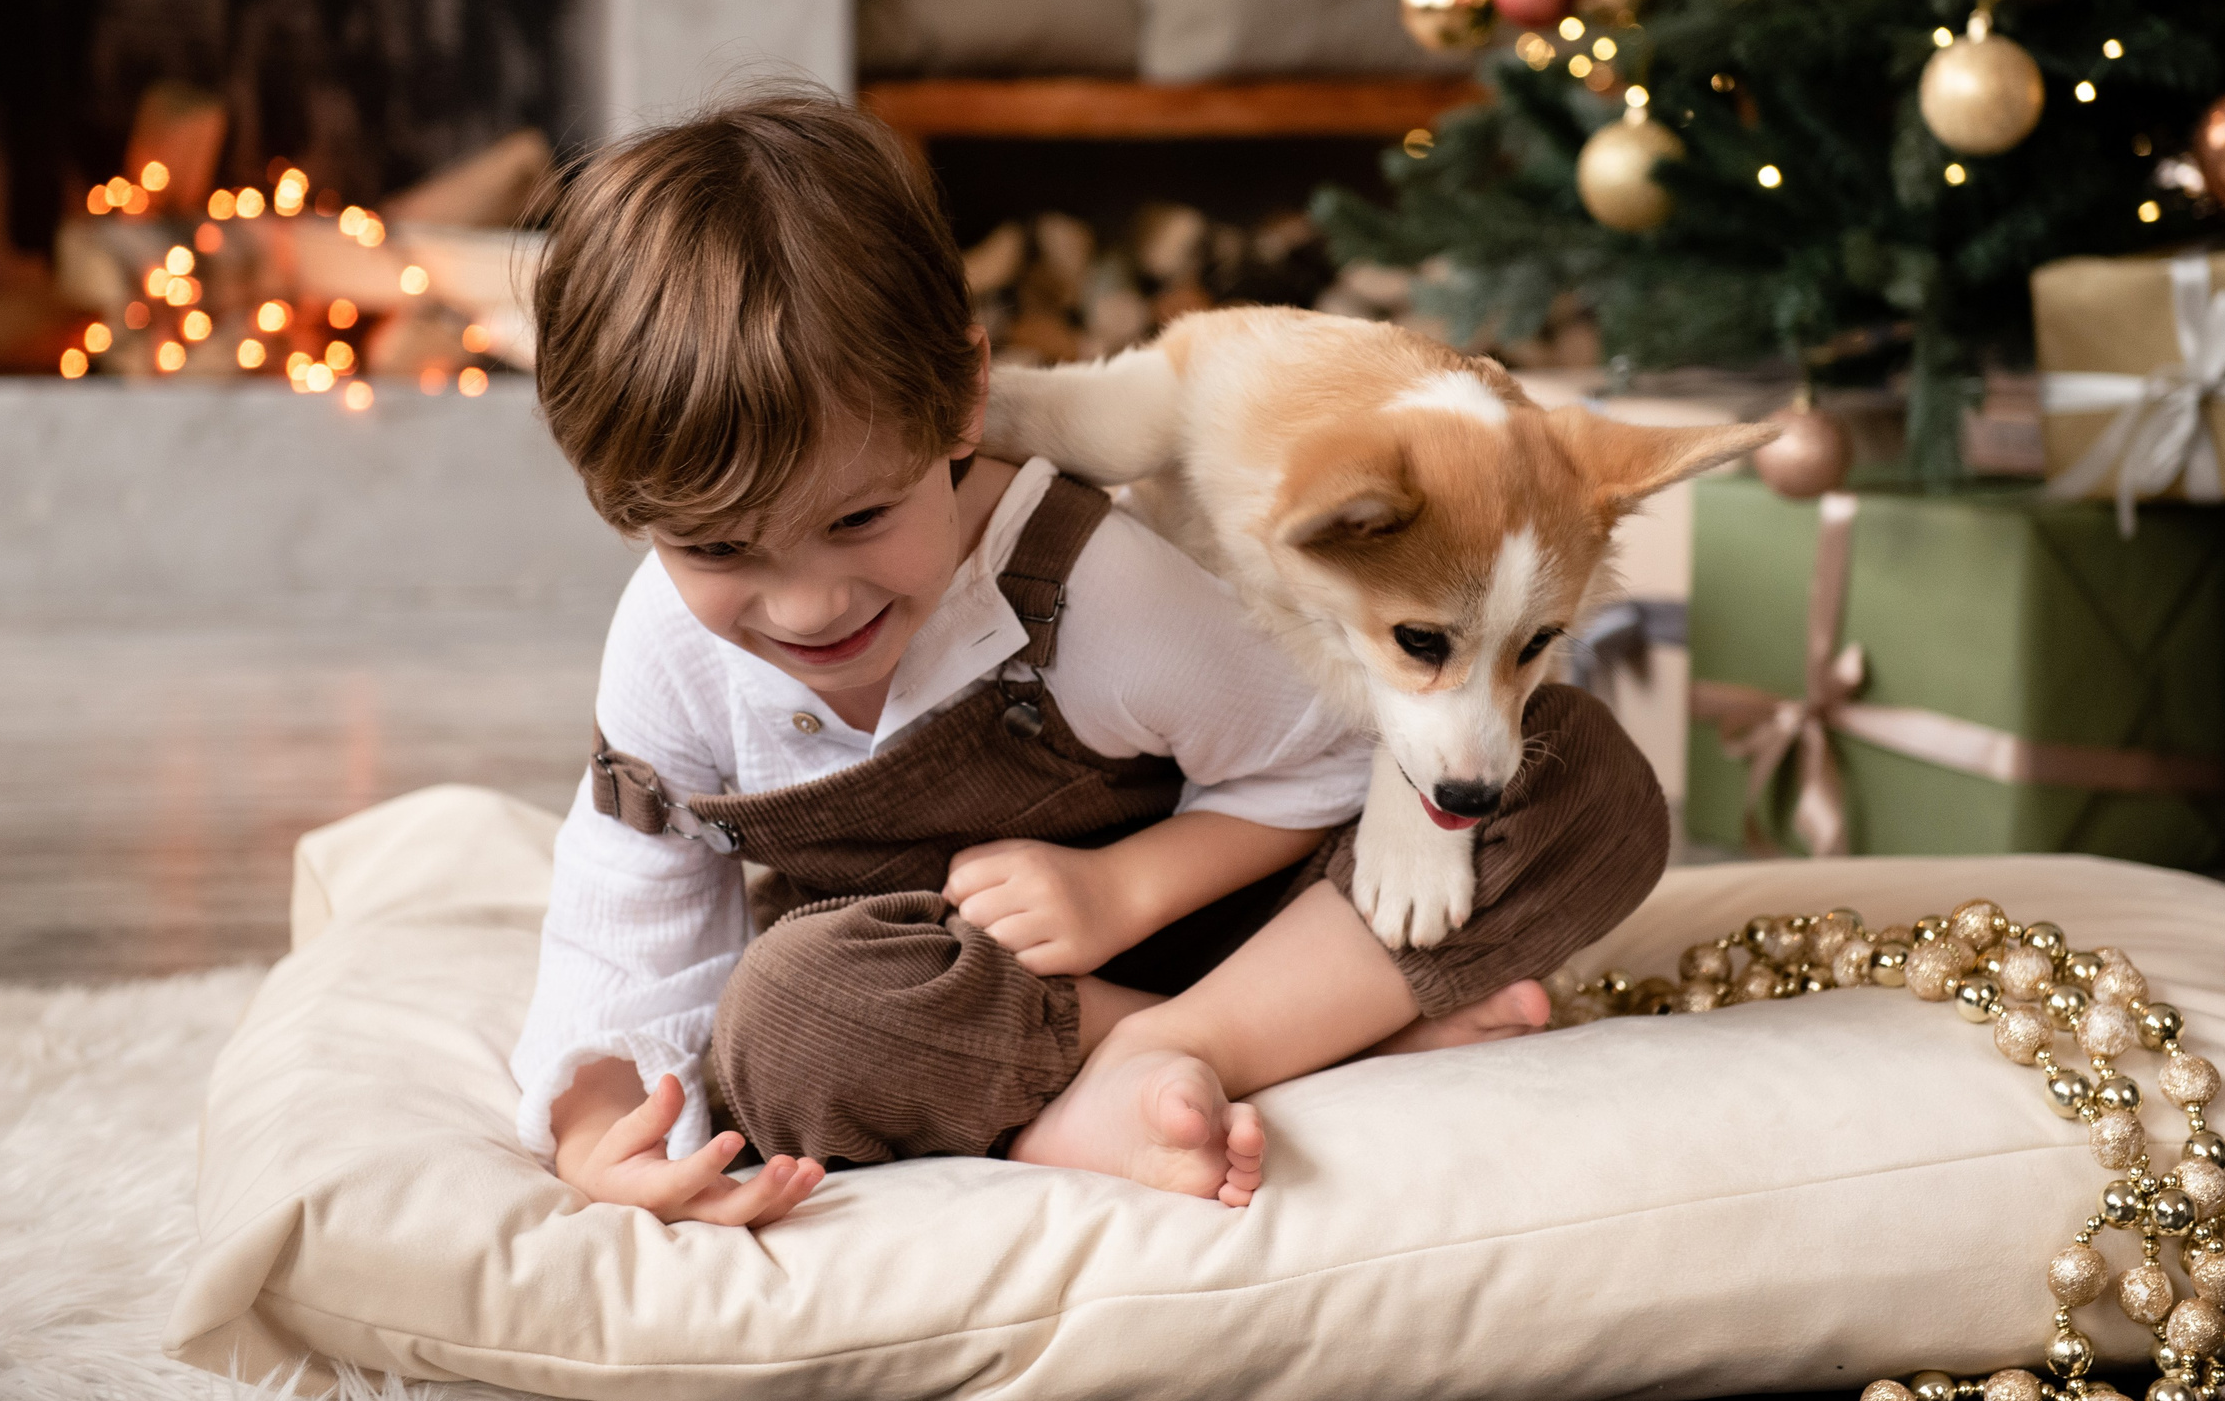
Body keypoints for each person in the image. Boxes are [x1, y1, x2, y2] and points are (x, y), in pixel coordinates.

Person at [508, 87, 1668, 1228]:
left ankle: (1189, 1044)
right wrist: (600, 1132)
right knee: (786, 1023)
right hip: (947, 992)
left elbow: (1319, 767)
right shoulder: (666, 648)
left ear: (962, 400)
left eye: (860, 519)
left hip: (1244, 933)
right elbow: (627, 903)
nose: (808, 603)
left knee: (1582, 780)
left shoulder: (1095, 585)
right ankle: (1280, 1041)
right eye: (716, 548)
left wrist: (1125, 888)